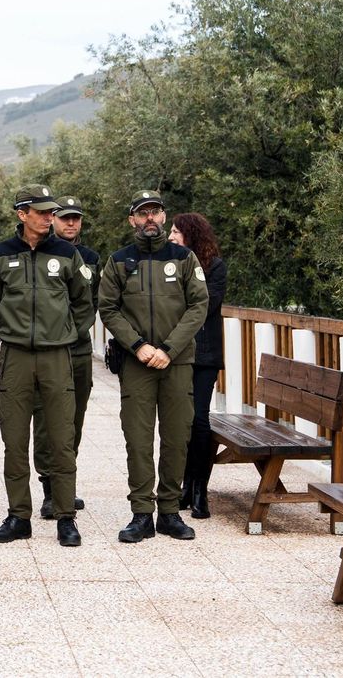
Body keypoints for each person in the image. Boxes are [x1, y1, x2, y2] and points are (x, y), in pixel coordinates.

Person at [99, 190, 210, 544]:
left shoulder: (184, 258)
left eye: (155, 212)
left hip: (176, 362)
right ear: (132, 220)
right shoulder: (119, 261)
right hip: (137, 363)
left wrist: (169, 349)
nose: (150, 219)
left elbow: (198, 306)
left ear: (163, 217)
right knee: (138, 438)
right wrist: (138, 346)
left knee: (177, 437)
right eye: (142, 213)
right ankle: (141, 514)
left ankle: (170, 512)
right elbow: (108, 308)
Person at [0, 185, 93, 547]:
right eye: (42, 211)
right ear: (22, 214)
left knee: (61, 439)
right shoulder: (1, 253)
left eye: (52, 212)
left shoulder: (66, 253)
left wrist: (66, 334)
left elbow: (84, 302)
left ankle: (65, 516)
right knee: (13, 440)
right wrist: (10, 330)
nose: (50, 217)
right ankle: (19, 517)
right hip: (15, 356)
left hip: (56, 356)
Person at [34, 194, 99, 518]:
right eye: (64, 218)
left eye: (76, 218)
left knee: (74, 421)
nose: (71, 223)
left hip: (79, 350)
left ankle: (65, 484)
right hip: (48, 351)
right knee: (47, 421)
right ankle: (50, 490)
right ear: (52, 220)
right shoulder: (39, 253)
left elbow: (93, 302)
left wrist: (72, 334)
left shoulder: (91, 258)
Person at [172, 212, 227, 520]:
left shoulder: (215, 268)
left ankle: (199, 490)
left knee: (199, 421)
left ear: (191, 235)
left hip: (205, 355)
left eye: (176, 232)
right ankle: (183, 485)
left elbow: (207, 305)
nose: (170, 237)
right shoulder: (171, 266)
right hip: (177, 354)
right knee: (181, 421)